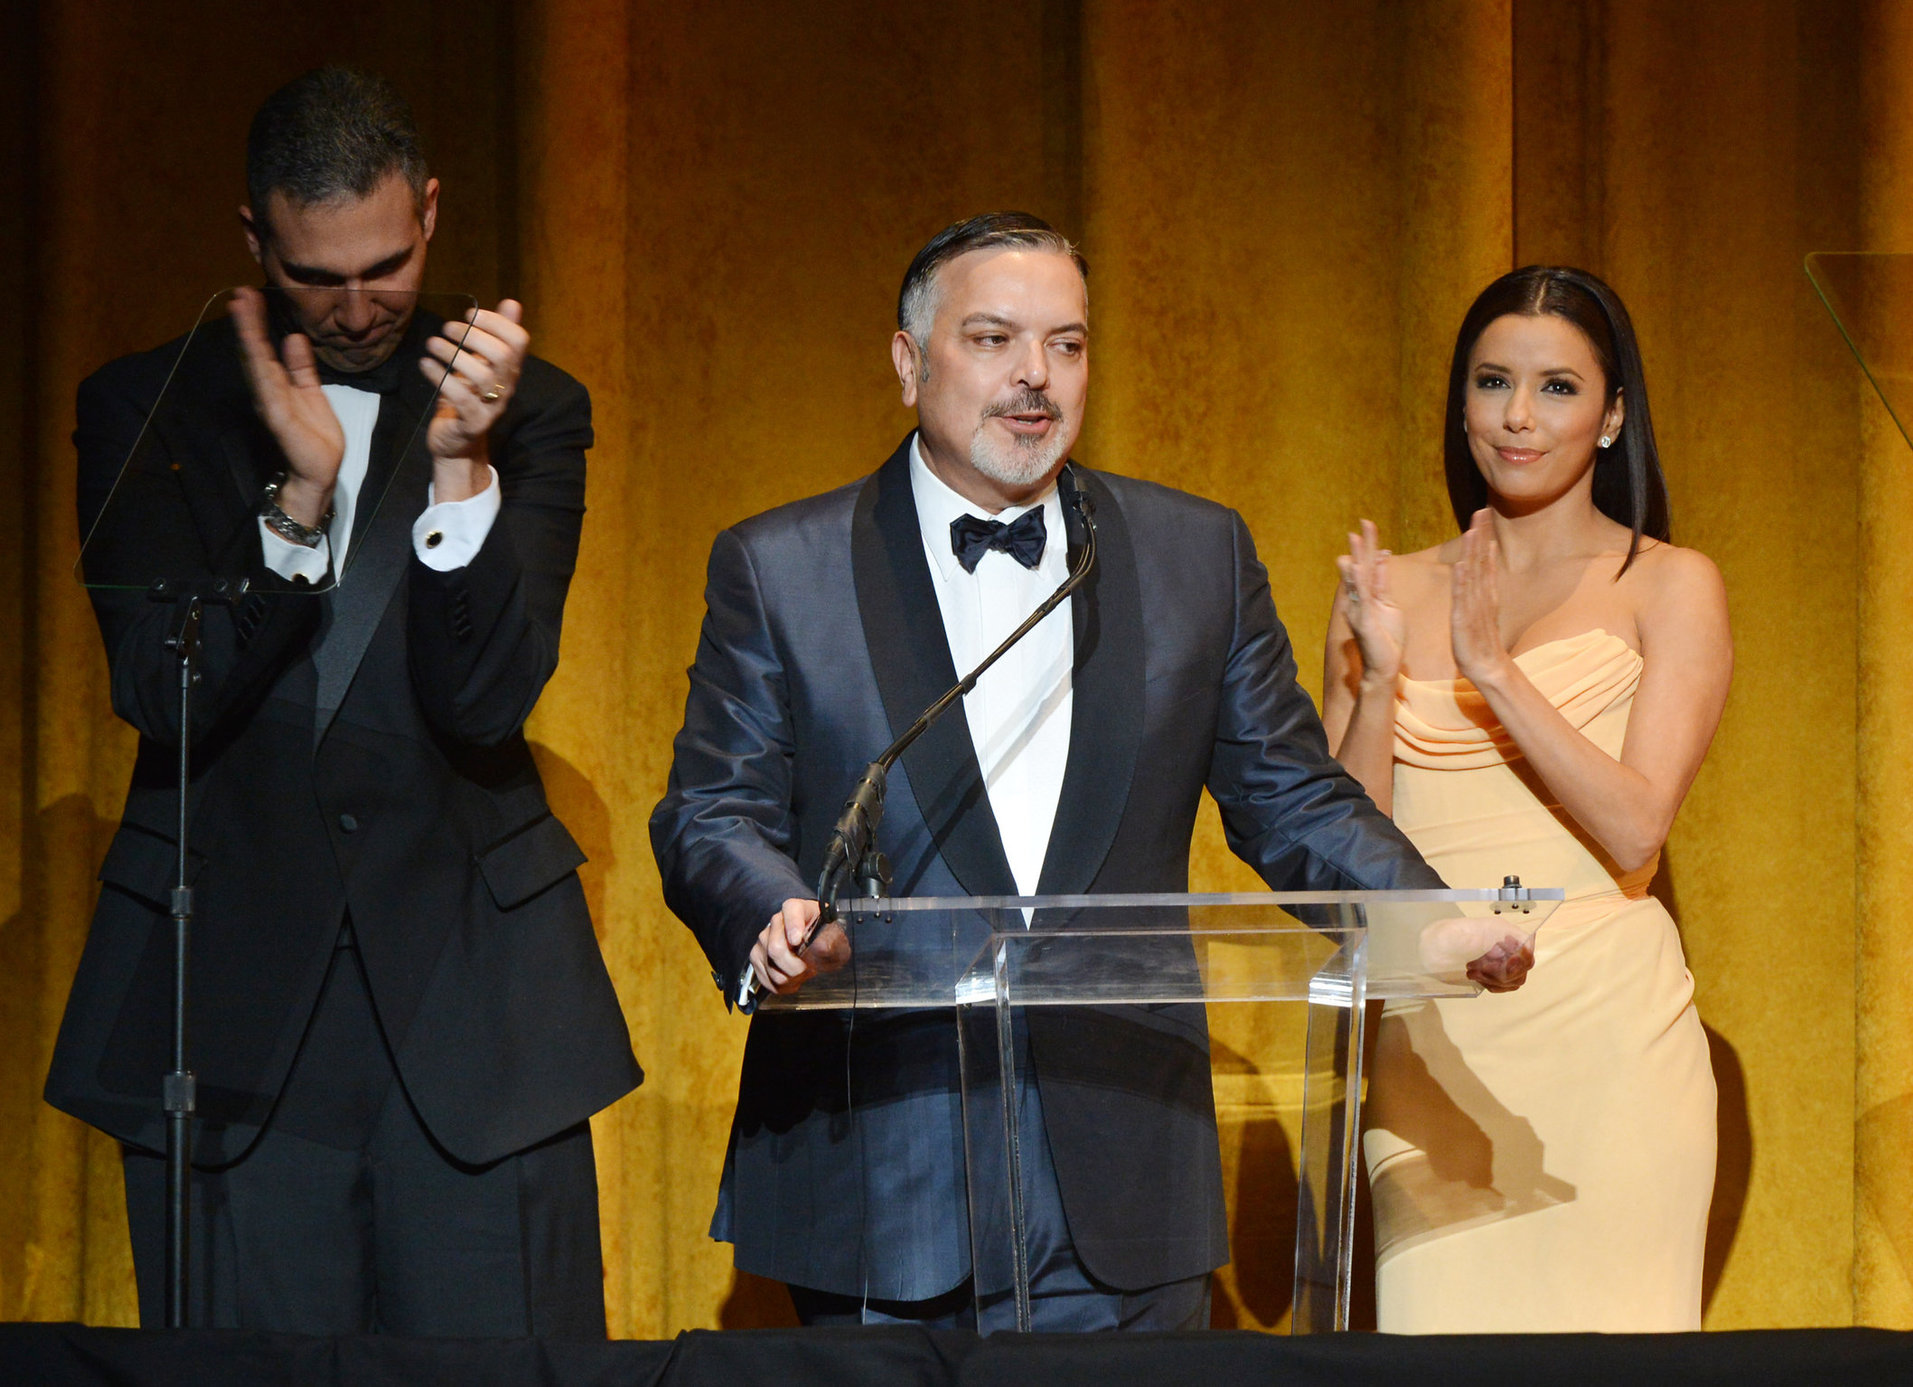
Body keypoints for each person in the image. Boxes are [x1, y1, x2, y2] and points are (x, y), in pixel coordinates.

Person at [650, 211, 1456, 1332]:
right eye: (992, 339)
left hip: (1124, 1175)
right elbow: (710, 811)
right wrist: (773, 914)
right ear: (906, 360)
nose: (1035, 377)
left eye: (1066, 345)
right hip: (886, 1185)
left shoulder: (1195, 555)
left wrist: (1425, 917)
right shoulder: (780, 568)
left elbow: (1288, 791)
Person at [45, 67, 639, 1335]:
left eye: (386, 264)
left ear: (427, 211)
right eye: (320, 277)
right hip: (230, 1018)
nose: (362, 309)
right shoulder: (143, 406)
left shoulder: (529, 408)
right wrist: (298, 509)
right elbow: (163, 692)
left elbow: (486, 701)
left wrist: (460, 464)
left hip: (479, 1027)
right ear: (253, 238)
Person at [1325, 265, 1730, 1332]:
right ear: (1458, 404)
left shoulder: (1669, 582)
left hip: (1605, 1037)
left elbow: (1635, 830)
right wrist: (1372, 680)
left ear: (1610, 417)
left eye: (1555, 387)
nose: (1515, 415)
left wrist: (1491, 670)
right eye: (1491, 381)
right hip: (1434, 1041)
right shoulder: (1385, 587)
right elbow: (1337, 853)